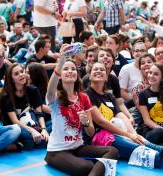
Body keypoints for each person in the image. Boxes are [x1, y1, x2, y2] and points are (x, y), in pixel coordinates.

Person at [45, 44, 118, 175]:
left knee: (112, 151)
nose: (70, 71)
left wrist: (86, 123)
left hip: (78, 147)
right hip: (57, 152)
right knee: (86, 167)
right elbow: (50, 88)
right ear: (60, 75)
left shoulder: (83, 97)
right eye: (65, 69)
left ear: (77, 74)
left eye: (73, 69)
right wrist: (61, 59)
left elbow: (90, 133)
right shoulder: (55, 97)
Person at [86, 62, 163, 168]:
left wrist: (135, 135)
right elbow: (101, 121)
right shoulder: (87, 95)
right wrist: (128, 135)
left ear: (106, 77)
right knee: (155, 156)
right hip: (104, 137)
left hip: (119, 133)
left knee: (150, 145)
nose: (98, 71)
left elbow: (120, 115)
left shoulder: (109, 96)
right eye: (95, 69)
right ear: (90, 76)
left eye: (102, 70)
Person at [0, 63, 49, 149]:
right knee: (23, 133)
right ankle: (31, 142)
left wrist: (44, 129)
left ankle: (24, 144)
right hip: (17, 127)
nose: (21, 75)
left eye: (22, 71)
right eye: (16, 74)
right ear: (11, 79)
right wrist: (32, 131)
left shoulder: (33, 90)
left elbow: (39, 114)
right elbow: (15, 121)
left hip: (34, 124)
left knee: (55, 125)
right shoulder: (6, 96)